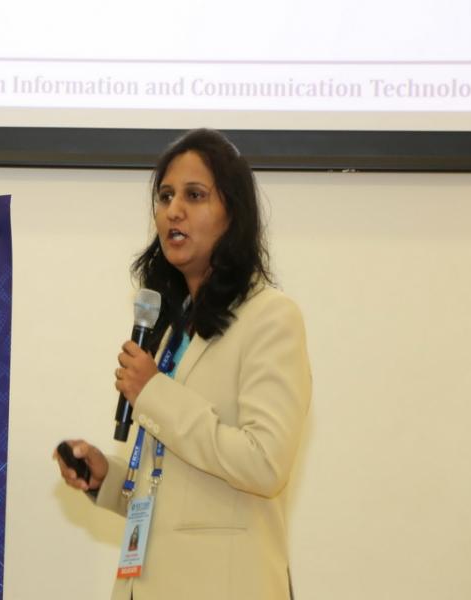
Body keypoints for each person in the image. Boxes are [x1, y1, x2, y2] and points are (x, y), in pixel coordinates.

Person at [54, 128, 311, 600]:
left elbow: (264, 463)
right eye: (165, 196)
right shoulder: (175, 331)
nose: (173, 210)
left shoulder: (271, 317)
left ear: (233, 213)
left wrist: (154, 393)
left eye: (195, 195)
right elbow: (172, 485)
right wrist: (106, 478)